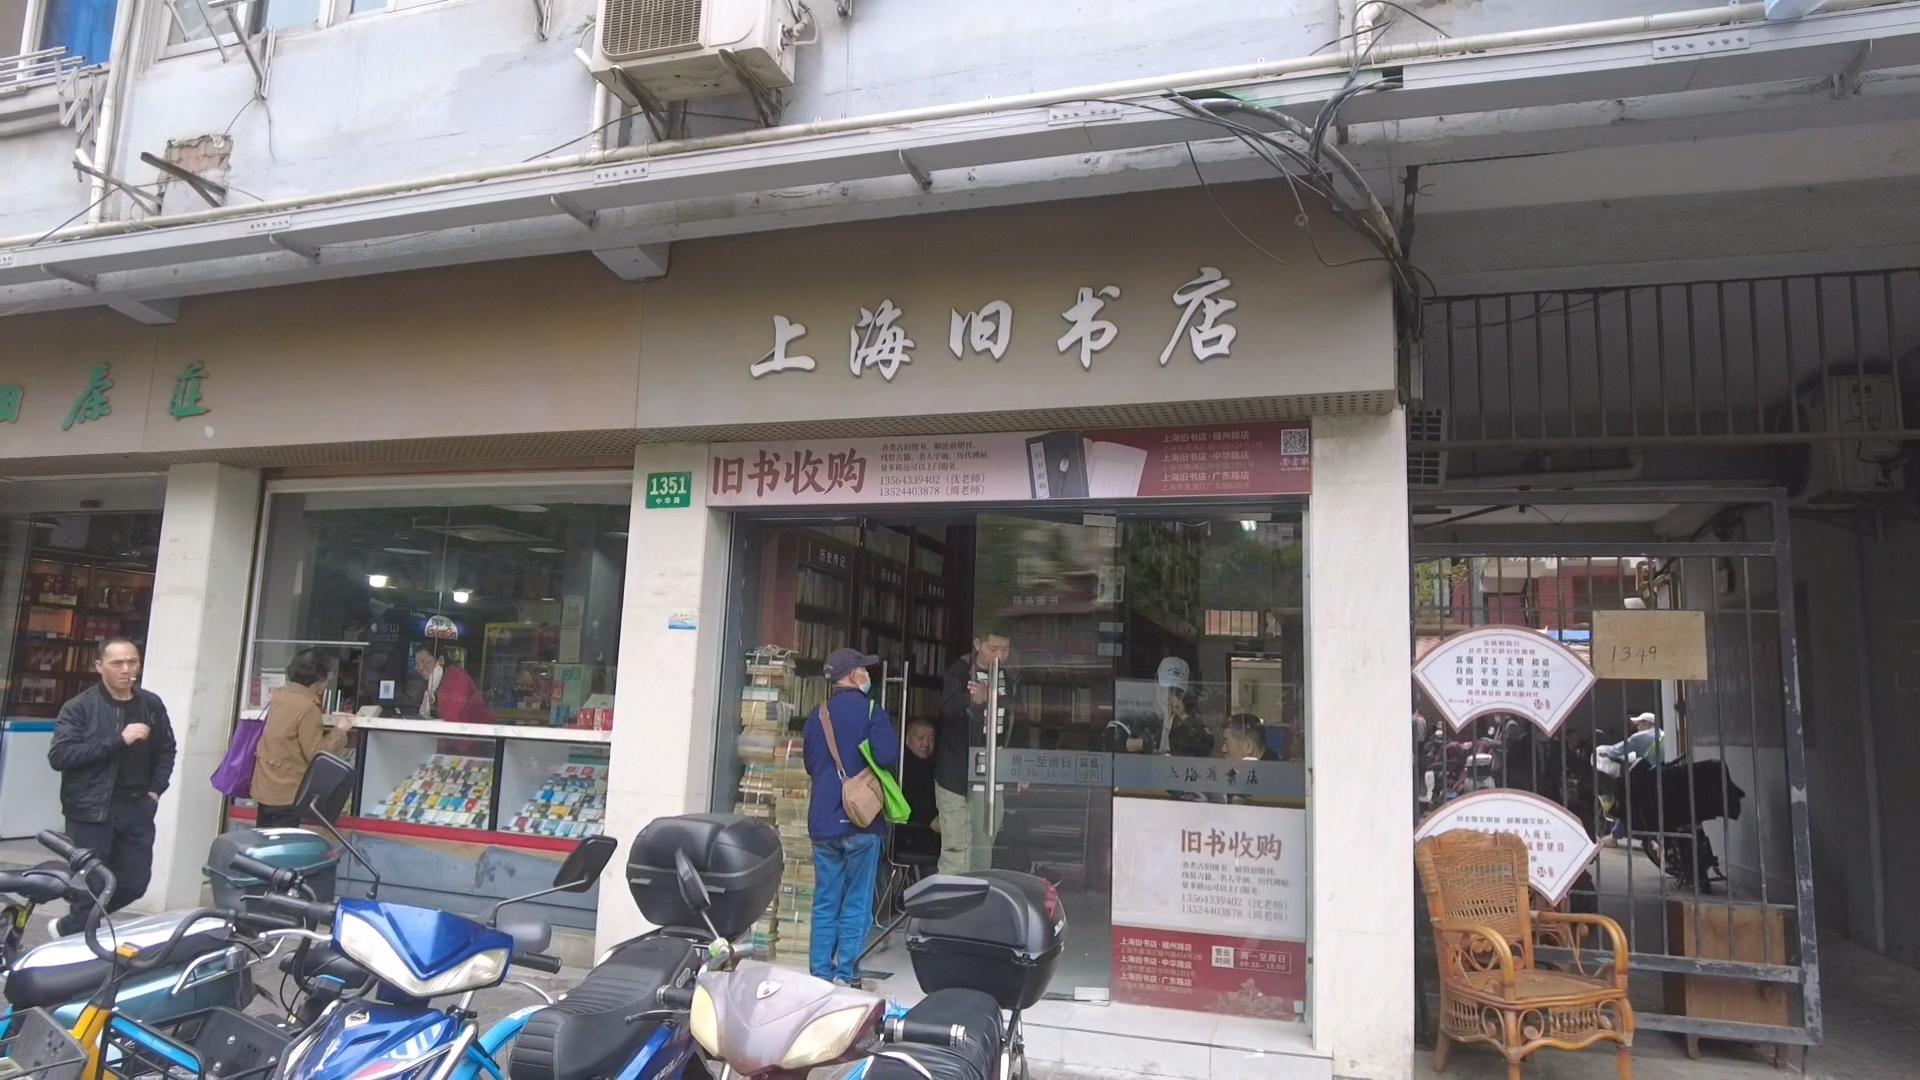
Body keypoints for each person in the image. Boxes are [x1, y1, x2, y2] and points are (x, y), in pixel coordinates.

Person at [47, 639, 177, 935]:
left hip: (137, 807)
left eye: (132, 662)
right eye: (117, 663)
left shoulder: (150, 704)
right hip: (90, 809)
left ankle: (69, 929)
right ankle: (79, 942)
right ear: (99, 666)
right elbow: (60, 756)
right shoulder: (80, 707)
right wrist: (119, 740)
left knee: (134, 883)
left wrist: (155, 790)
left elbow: (167, 749)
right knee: (89, 887)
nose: (126, 669)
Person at [803, 648, 901, 986]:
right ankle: (848, 973)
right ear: (852, 675)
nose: (867, 675)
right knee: (857, 900)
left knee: (825, 900)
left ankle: (819, 973)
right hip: (862, 820)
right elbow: (887, 756)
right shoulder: (872, 711)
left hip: (823, 820)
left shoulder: (818, 715)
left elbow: (811, 765)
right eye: (863, 669)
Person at [937, 627, 1012, 875]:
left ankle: (978, 895)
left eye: (1005, 649)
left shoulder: (1008, 678)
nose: (999, 656)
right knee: (957, 850)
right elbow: (949, 707)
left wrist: (990, 696)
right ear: (978, 644)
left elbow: (1017, 717)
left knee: (983, 848)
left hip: (992, 776)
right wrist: (973, 700)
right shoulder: (959, 672)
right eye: (993, 648)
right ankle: (952, 898)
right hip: (956, 774)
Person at [253, 649, 353, 828]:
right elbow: (317, 754)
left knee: (265, 840)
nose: (330, 678)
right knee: (285, 843)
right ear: (319, 677)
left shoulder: (280, 697)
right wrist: (340, 731)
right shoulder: (308, 708)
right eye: (328, 674)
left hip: (265, 788)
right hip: (287, 793)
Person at [895, 717, 941, 861]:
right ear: (907, 739)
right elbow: (918, 802)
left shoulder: (933, 765)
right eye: (920, 738)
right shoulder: (904, 767)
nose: (926, 744)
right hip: (912, 835)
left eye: (931, 739)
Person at [416, 648, 493, 725]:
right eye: (417, 664)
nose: (420, 667)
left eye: (424, 661)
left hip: (473, 730)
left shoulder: (455, 677)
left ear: (440, 660)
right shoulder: (431, 684)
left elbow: (452, 719)